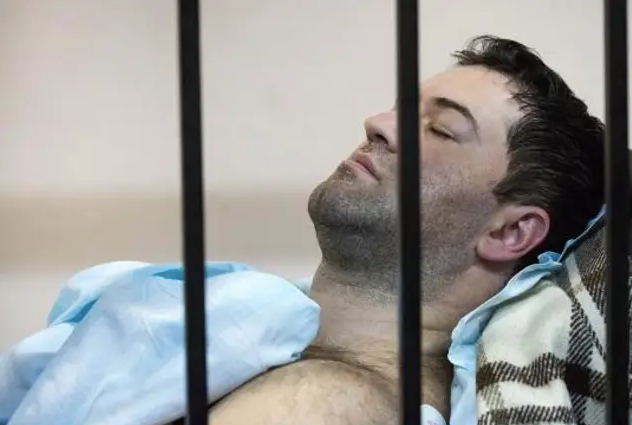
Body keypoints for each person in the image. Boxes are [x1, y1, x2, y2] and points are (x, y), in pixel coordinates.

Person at [207, 35, 605, 425]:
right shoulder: (249, 332)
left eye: (442, 129)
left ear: (509, 231)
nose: (378, 124)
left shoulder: (329, 404)